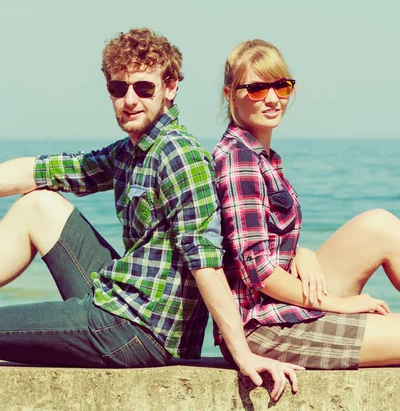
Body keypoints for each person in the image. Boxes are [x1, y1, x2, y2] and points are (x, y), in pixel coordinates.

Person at [0, 28, 300, 400]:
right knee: (38, 203)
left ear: (169, 87)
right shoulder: (131, 151)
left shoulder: (179, 156)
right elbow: (45, 170)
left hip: (145, 331)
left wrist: (243, 355)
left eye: (143, 88)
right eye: (118, 89)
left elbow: (206, 262)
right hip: (122, 301)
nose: (129, 100)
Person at [213, 37, 400, 370]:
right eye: (256, 89)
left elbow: (254, 242)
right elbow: (257, 272)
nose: (272, 99)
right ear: (230, 95)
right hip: (263, 329)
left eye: (281, 87)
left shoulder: (262, 157)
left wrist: (302, 251)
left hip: (284, 304)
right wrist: (340, 304)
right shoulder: (238, 160)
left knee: (380, 224)